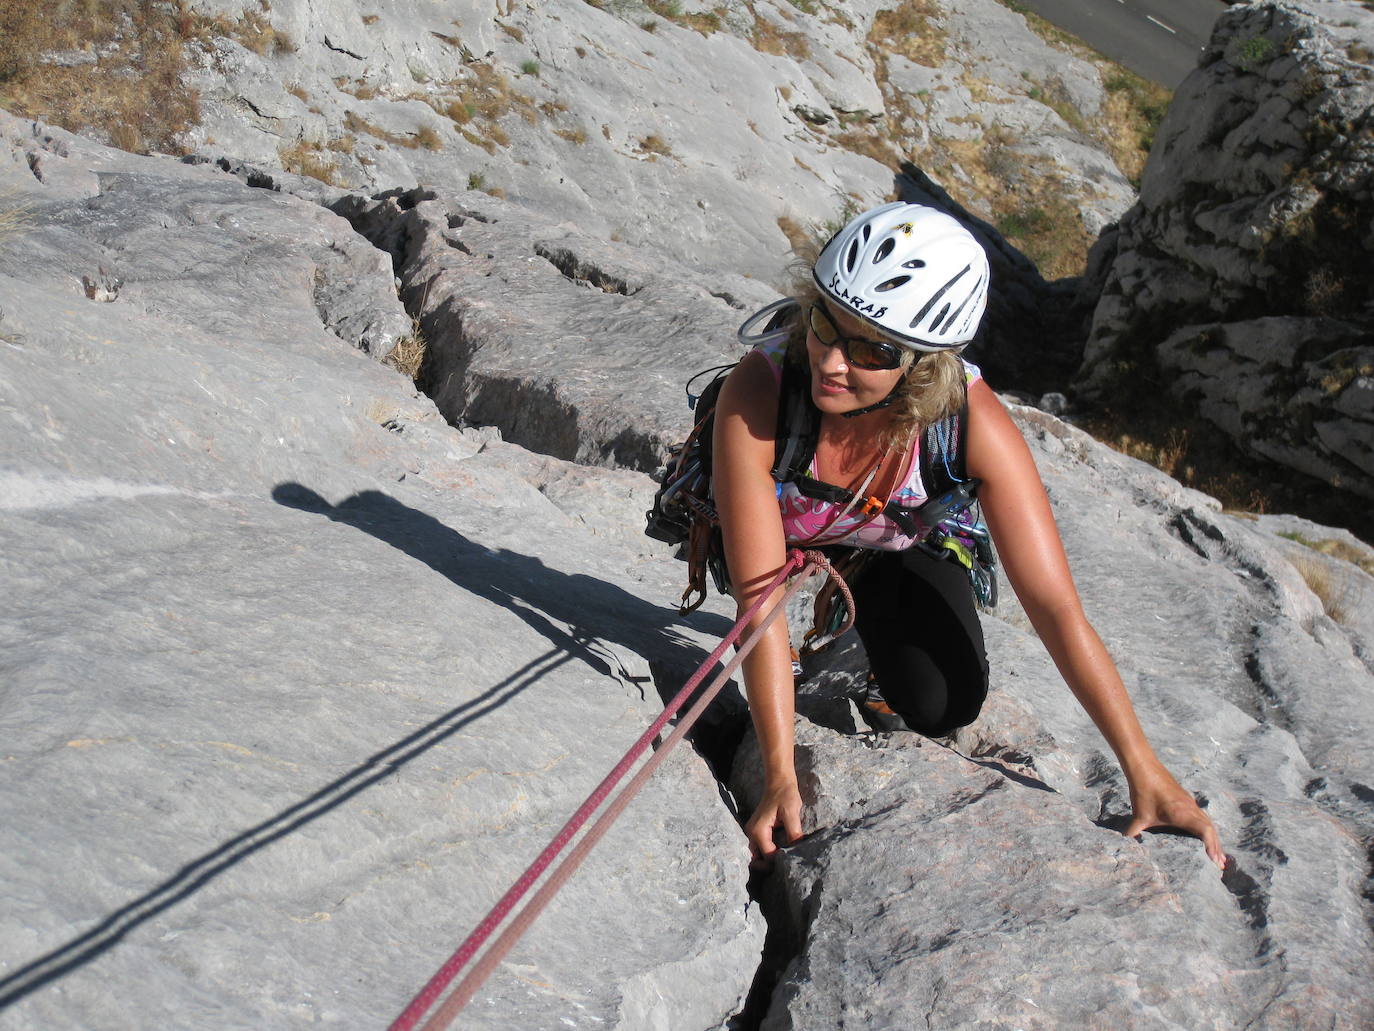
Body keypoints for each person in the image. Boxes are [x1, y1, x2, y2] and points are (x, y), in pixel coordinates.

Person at [711, 201, 1225, 871]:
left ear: (922, 365)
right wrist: (780, 772)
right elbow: (759, 607)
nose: (831, 362)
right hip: (784, 526)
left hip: (893, 538)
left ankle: (855, 618)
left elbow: (1056, 606)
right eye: (822, 325)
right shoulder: (763, 390)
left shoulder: (970, 425)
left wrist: (1143, 768)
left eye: (870, 349)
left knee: (943, 699)